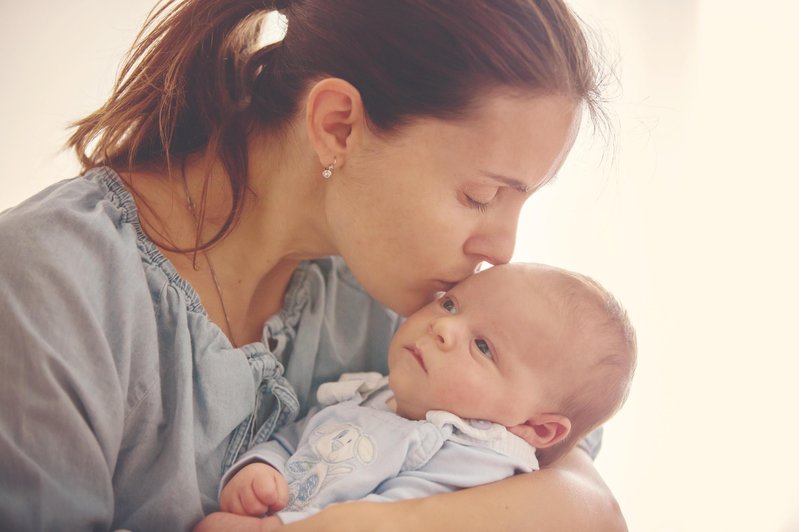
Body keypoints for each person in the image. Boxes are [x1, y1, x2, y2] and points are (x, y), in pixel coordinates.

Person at [0, 0, 624, 530]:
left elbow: (587, 505)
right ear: (339, 125)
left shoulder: (403, 299)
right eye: (480, 196)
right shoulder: (50, 286)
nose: (502, 249)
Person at [217, 263, 636, 530]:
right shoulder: (374, 392)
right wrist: (261, 469)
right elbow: (297, 438)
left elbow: (398, 514)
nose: (444, 328)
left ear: (536, 427)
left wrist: (277, 527)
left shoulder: (478, 458)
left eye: (484, 347)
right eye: (452, 304)